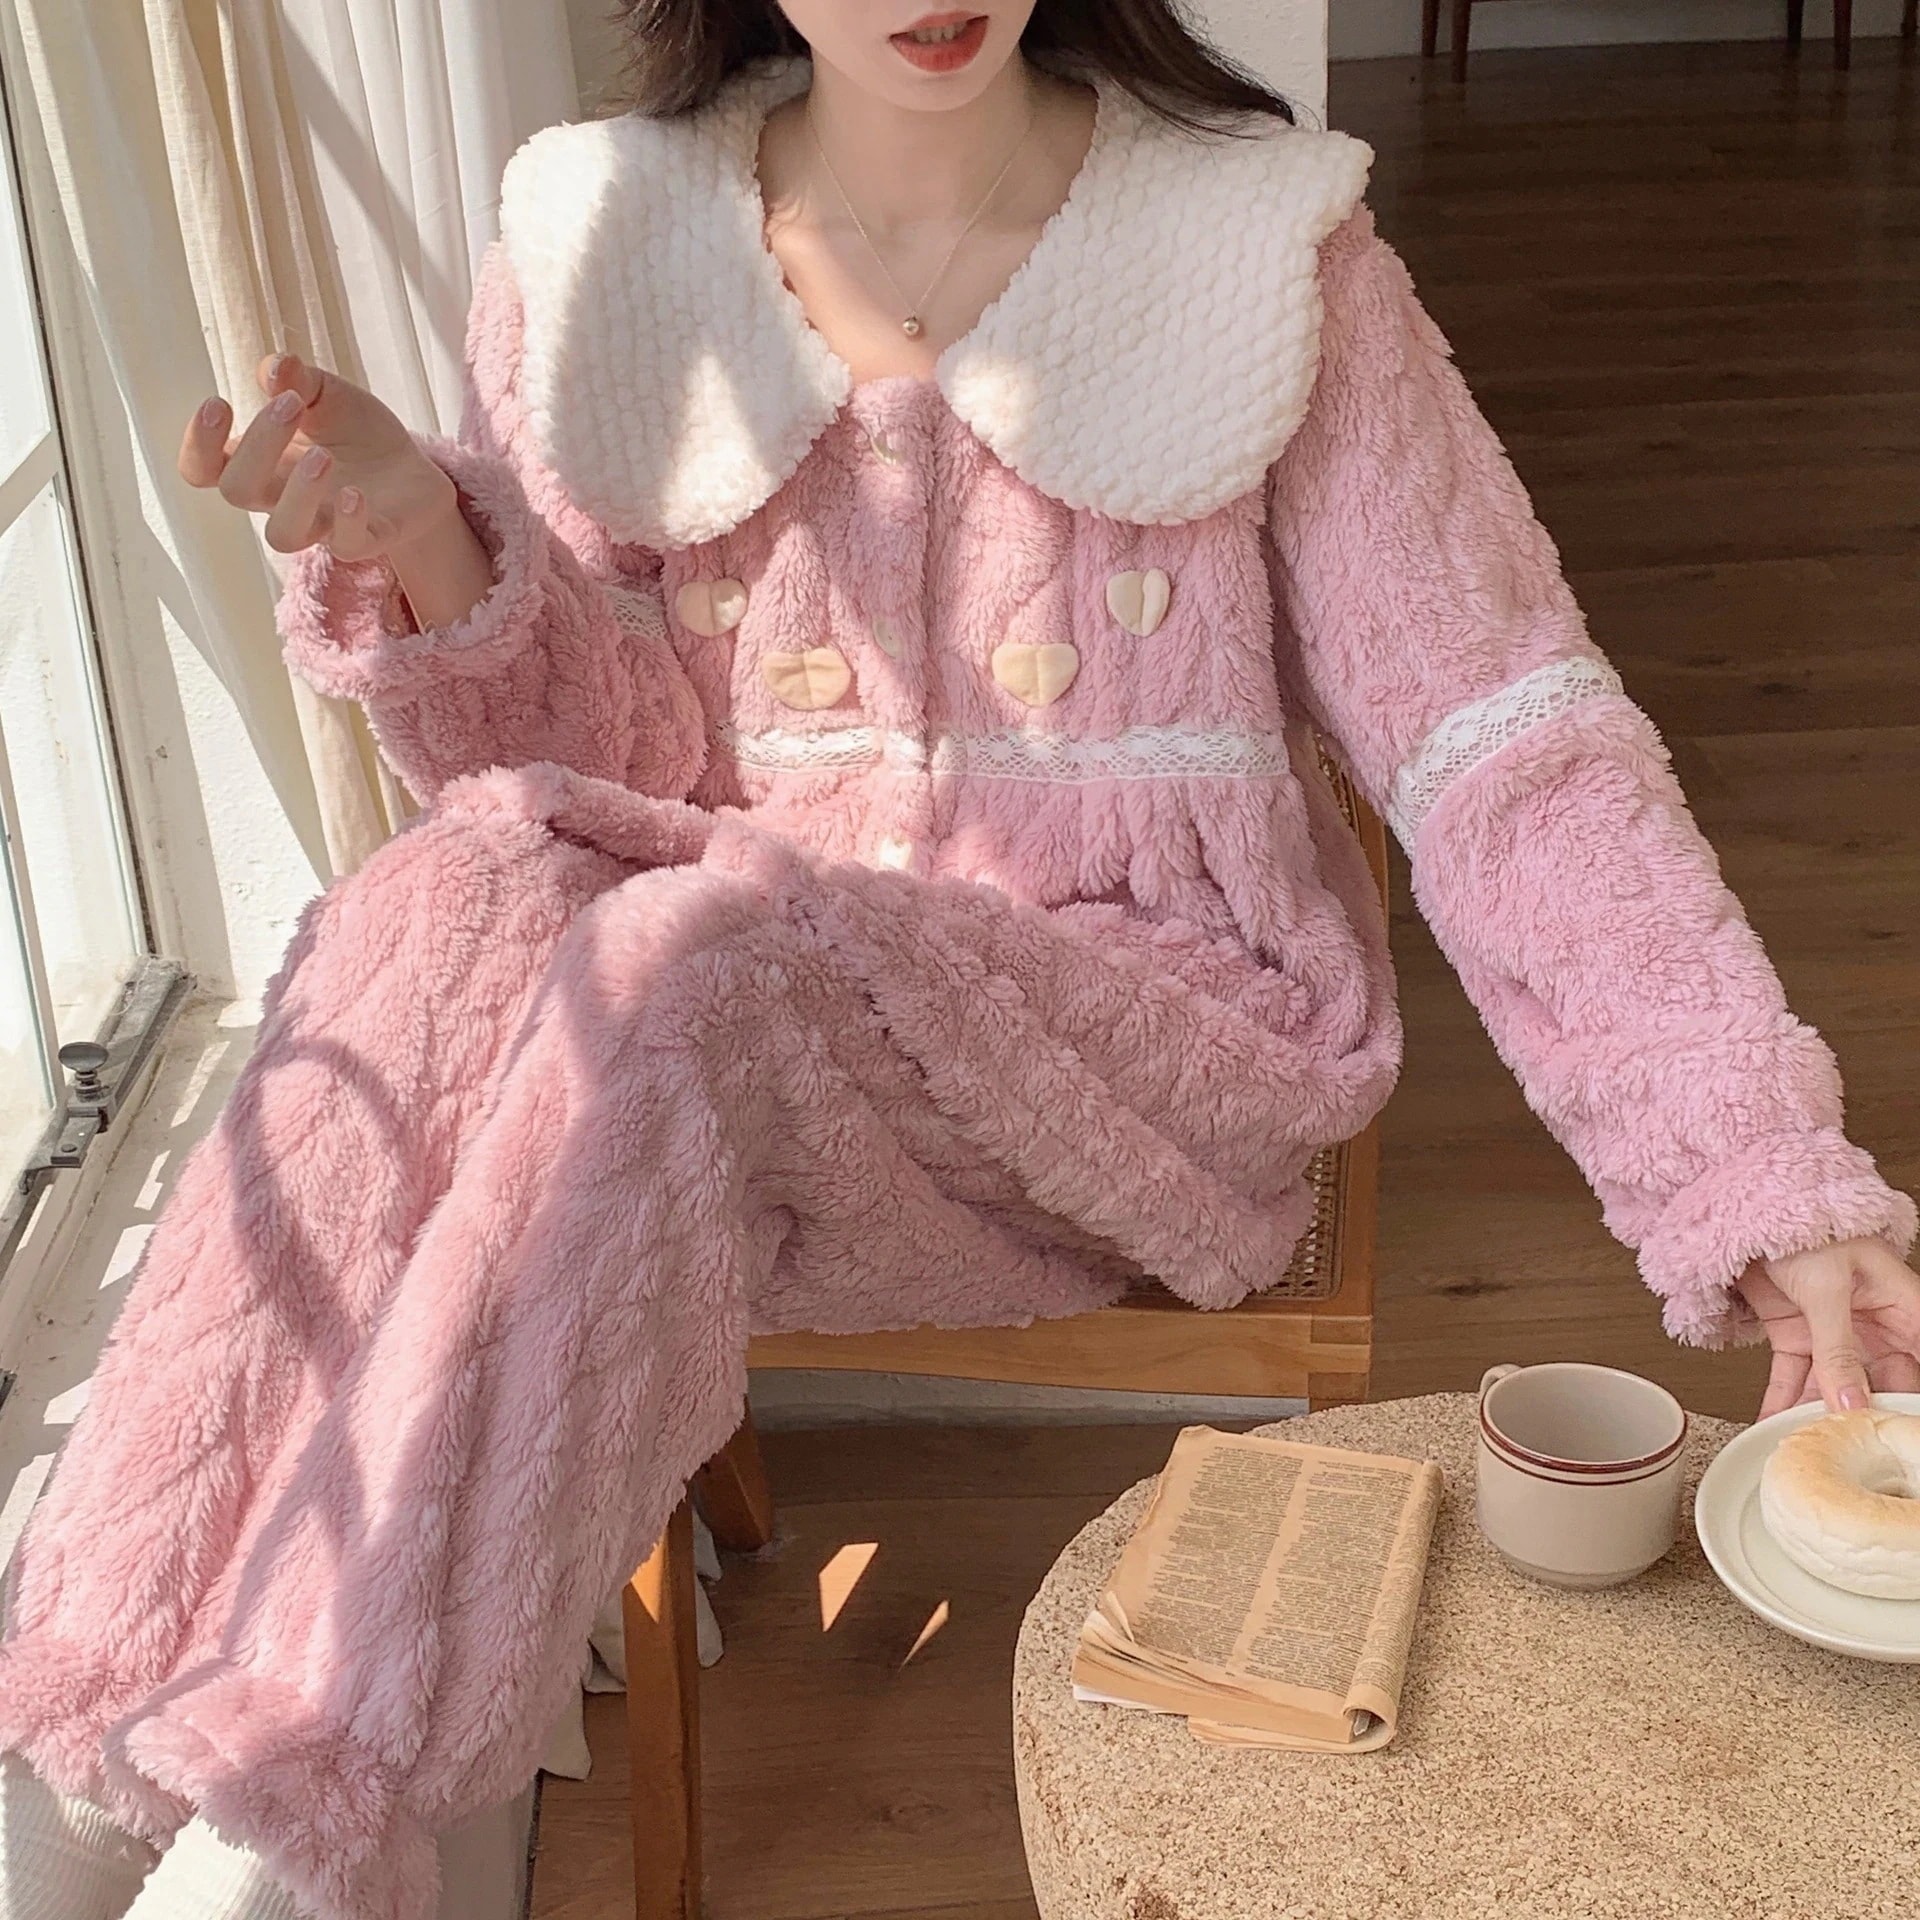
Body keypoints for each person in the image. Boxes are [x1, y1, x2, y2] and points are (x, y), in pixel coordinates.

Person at [4, 2, 1917, 1916]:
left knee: (687, 953)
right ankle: (78, 1728)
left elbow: (1504, 739)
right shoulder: (604, 247)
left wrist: (1759, 1173)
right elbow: (601, 773)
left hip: (1143, 1055)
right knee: (455, 886)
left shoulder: (1259, 253)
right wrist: (435, 538)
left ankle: (317, 1809)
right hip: (747, 1090)